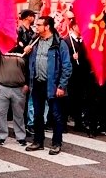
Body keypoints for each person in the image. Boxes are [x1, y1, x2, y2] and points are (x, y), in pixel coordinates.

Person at [22, 16, 71, 154]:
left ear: (47, 26)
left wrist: (61, 86)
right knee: (38, 114)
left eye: (39, 25)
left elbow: (67, 66)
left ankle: (56, 143)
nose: (36, 27)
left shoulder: (59, 43)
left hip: (53, 85)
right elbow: (28, 64)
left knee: (56, 115)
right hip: (37, 83)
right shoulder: (35, 41)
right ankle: (38, 141)